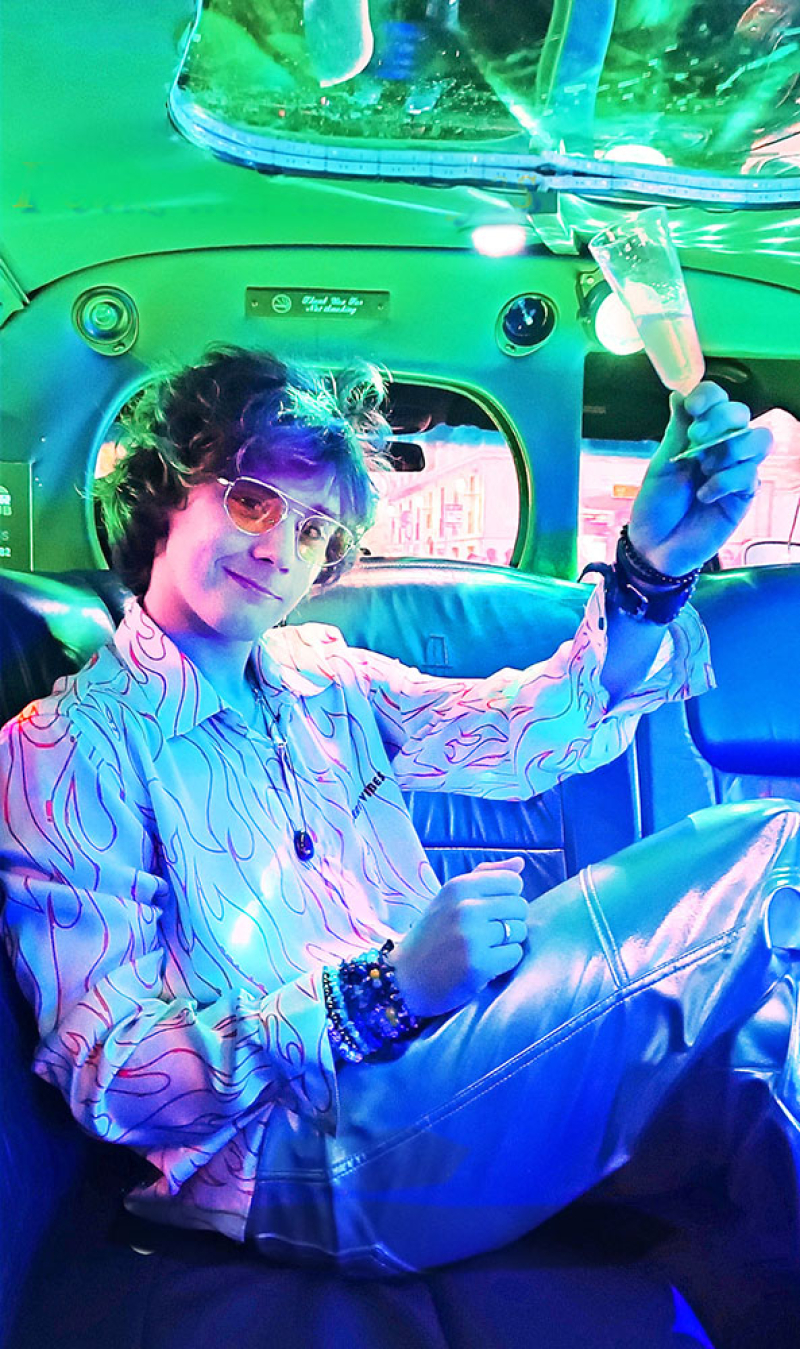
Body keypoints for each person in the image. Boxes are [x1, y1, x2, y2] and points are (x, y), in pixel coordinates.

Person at [1, 345, 798, 1281]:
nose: (280, 550)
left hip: (442, 1062)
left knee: (762, 1047)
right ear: (168, 492)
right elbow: (113, 1076)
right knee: (773, 850)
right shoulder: (67, 747)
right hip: (299, 1153)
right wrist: (380, 992)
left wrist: (653, 569)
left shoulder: (323, 676)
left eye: (315, 531)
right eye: (254, 501)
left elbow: (522, 731)